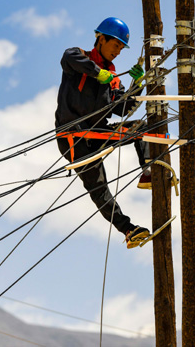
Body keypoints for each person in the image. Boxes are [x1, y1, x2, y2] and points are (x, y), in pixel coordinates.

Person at [55, 16, 151, 248]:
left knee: (142, 127)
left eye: (121, 47)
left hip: (97, 134)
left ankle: (149, 172)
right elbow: (68, 57)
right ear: (100, 38)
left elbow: (123, 108)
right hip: (73, 137)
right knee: (98, 187)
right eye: (115, 44)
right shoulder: (80, 57)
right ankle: (128, 230)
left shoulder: (113, 77)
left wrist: (137, 84)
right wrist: (97, 72)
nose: (118, 51)